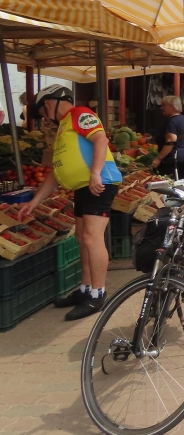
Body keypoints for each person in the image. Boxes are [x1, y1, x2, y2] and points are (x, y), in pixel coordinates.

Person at [16, 85, 121, 320]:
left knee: (92, 238)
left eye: (43, 114)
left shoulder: (80, 114)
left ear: (49, 104)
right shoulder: (65, 126)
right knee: (82, 237)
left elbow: (101, 139)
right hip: (83, 186)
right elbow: (55, 173)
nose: (45, 119)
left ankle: (98, 294)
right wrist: (34, 202)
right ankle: (85, 289)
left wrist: (95, 173)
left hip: (99, 183)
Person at [151, 95, 184, 180]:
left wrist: (159, 158)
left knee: (170, 183)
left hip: (172, 160)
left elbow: (171, 141)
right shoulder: (183, 119)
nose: (161, 108)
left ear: (172, 106)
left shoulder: (172, 121)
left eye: (164, 105)